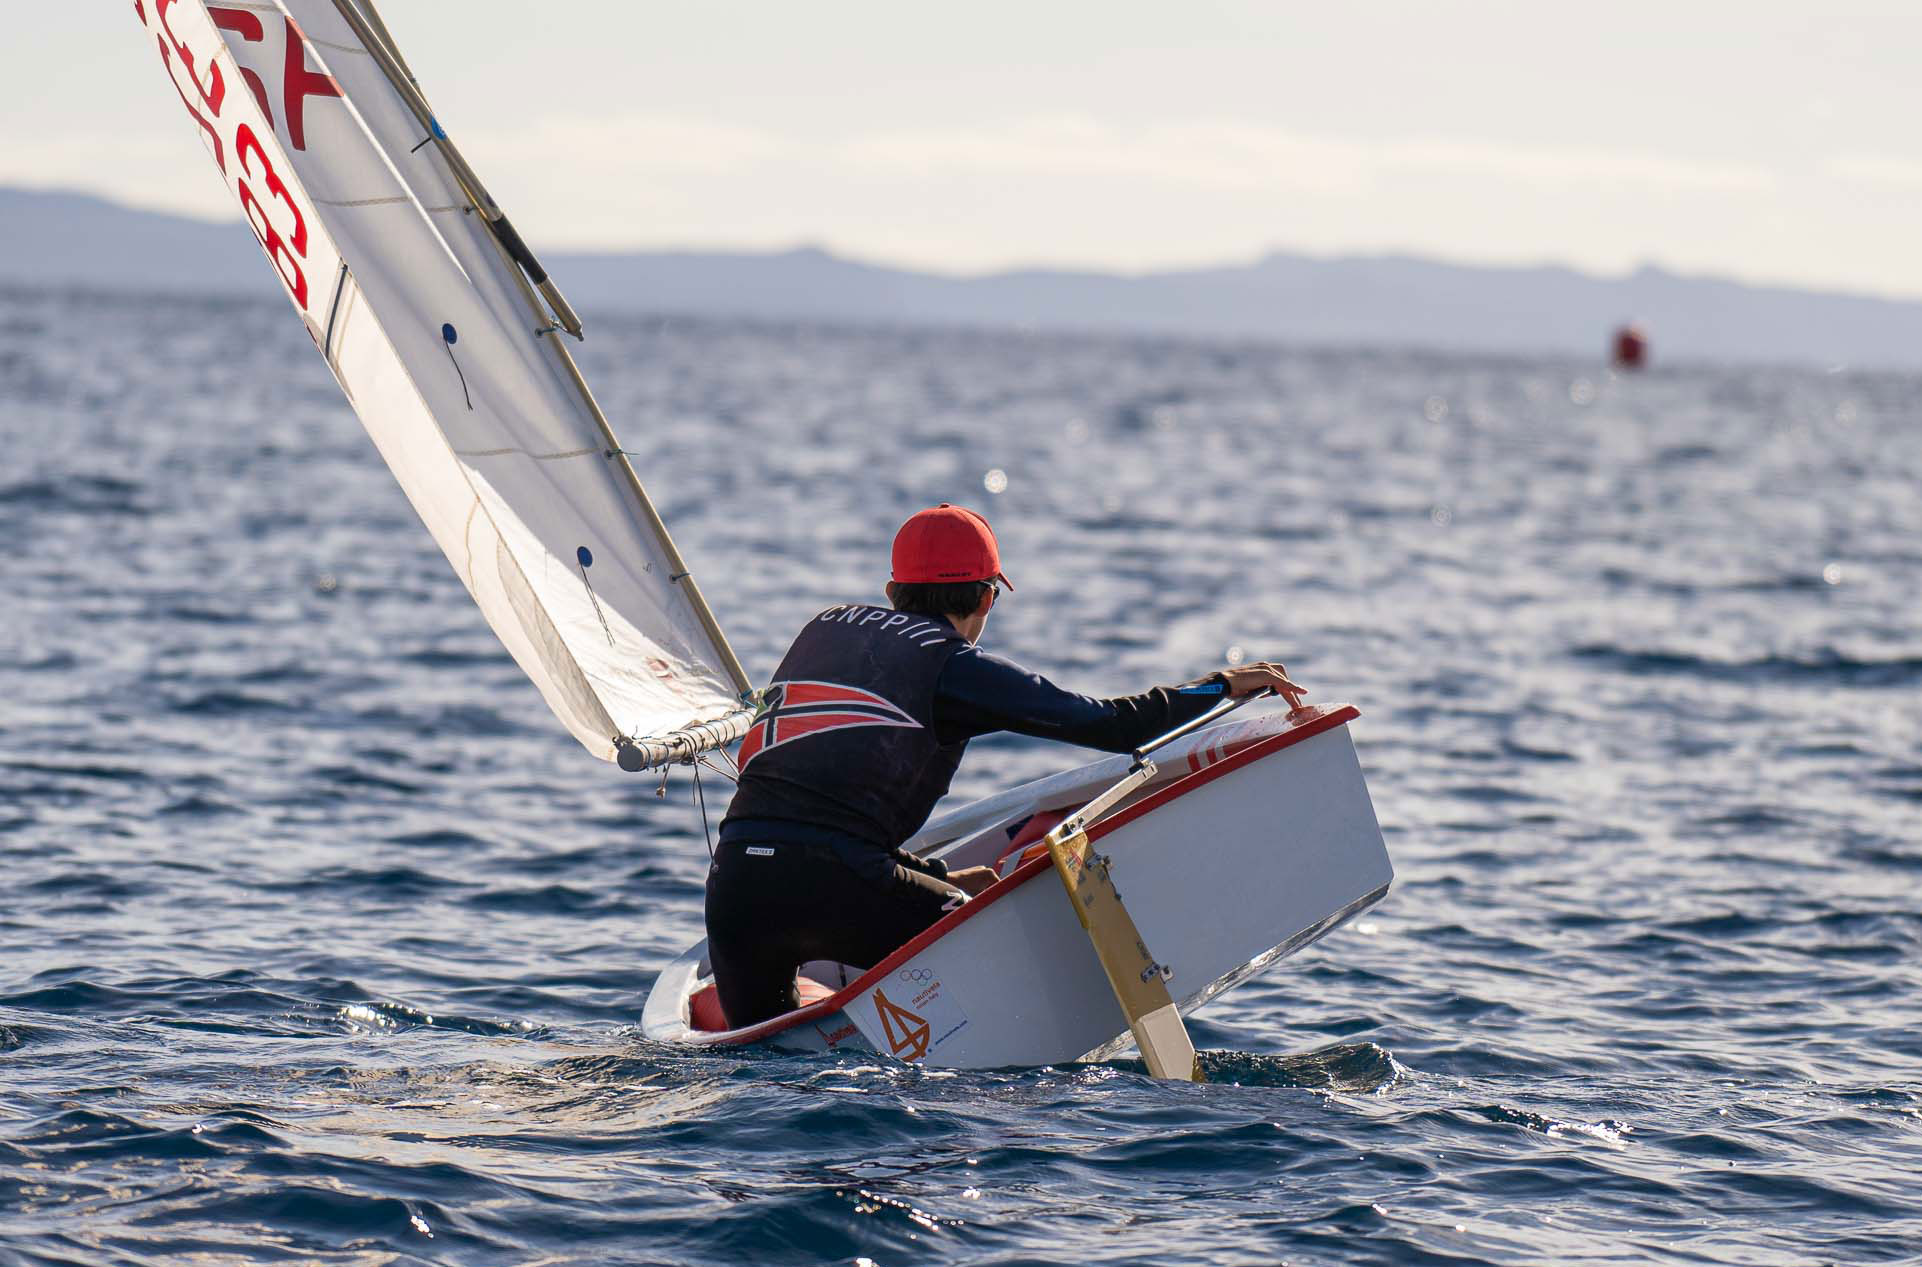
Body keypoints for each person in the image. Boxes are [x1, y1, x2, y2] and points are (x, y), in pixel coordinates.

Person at [704, 503, 1303, 1028]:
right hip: (841, 882)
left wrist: (934, 874)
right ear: (988, 596)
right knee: (994, 952)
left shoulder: (822, 628)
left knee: (764, 1063)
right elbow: (1113, 726)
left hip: (734, 889)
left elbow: (809, 814)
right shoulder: (953, 664)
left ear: (892, 591)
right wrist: (1222, 685)